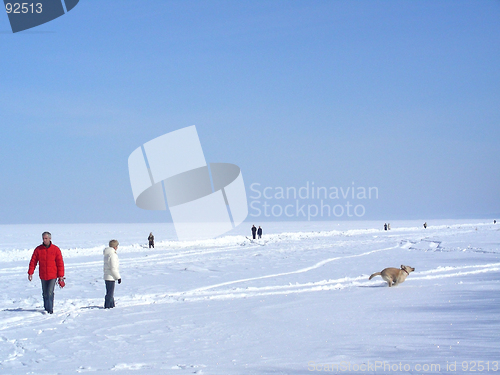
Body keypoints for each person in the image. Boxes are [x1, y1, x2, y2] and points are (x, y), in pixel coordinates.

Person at [27, 232, 65, 314]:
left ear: (50, 239)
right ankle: (46, 308)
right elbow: (33, 261)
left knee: (50, 292)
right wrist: (30, 272)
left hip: (53, 275)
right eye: (43, 238)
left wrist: (61, 276)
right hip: (43, 275)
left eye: (46, 238)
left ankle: (50, 309)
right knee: (45, 292)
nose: (44, 240)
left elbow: (60, 263)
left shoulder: (55, 249)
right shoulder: (38, 249)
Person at [103, 239, 121, 309]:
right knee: (110, 294)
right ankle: (108, 306)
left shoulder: (107, 254)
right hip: (111, 276)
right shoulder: (112, 255)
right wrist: (118, 277)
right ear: (115, 247)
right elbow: (113, 268)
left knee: (109, 292)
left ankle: (112, 306)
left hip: (107, 276)